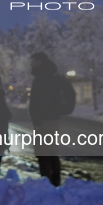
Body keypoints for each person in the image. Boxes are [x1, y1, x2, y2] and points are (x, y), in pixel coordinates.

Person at [29, 52, 62, 187]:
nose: (31, 64)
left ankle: (47, 185)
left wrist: (37, 121)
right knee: (52, 152)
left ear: (40, 62)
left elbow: (39, 103)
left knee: (43, 154)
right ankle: (55, 182)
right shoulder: (52, 77)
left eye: (33, 62)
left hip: (44, 122)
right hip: (53, 120)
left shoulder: (42, 79)